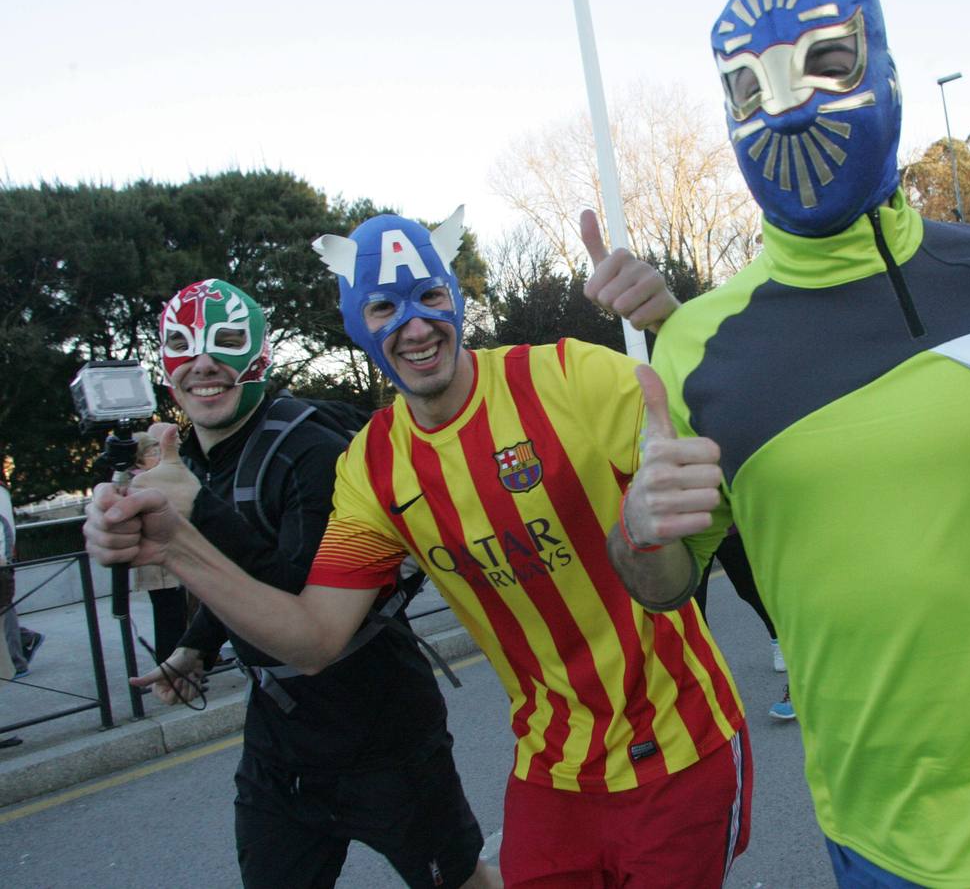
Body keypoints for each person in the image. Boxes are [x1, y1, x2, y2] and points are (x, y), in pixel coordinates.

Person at [594, 0, 970, 886]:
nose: (790, 108)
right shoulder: (695, 345)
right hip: (868, 833)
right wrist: (641, 529)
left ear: (885, 68)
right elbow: (664, 584)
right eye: (748, 89)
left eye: (827, 65)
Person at [87, 212, 750, 889]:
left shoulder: (572, 377)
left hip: (681, 748)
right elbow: (314, 638)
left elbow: (682, 551)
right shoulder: (373, 466)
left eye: (430, 297)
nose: (414, 325)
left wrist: (673, 323)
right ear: (356, 322)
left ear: (455, 300)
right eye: (383, 307)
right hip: (552, 774)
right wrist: (176, 543)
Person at [121, 279, 496, 889]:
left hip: (383, 737)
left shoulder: (309, 450)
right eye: (182, 347)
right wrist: (197, 646)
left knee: (458, 882)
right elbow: (238, 579)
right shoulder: (192, 460)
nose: (203, 365)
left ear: (260, 354)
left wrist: (197, 520)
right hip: (280, 746)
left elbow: (302, 615)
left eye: (227, 342)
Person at [691, 529, 793, 719]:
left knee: (750, 589)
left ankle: (779, 640)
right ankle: (710, 676)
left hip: (725, 526)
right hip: (688, 534)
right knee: (694, 607)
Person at [128, 433, 187, 661]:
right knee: (169, 618)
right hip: (158, 564)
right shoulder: (138, 483)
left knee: (176, 616)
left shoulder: (153, 479)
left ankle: (177, 666)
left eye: (158, 452)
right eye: (152, 453)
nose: (158, 457)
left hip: (169, 560)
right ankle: (171, 667)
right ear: (138, 459)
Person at [1, 475, 42, 682]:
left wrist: (5, 560)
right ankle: (26, 638)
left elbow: (4, 529)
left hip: (1, 564)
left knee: (4, 611)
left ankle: (16, 662)